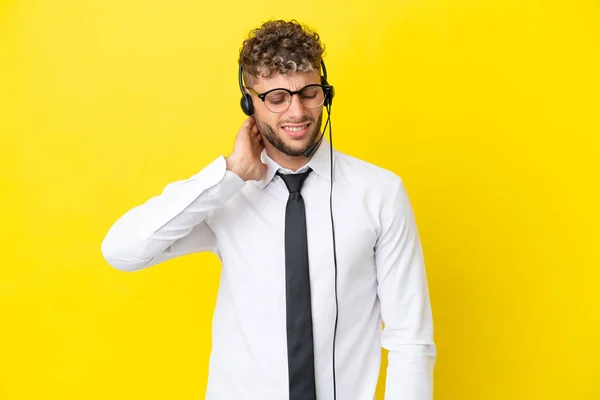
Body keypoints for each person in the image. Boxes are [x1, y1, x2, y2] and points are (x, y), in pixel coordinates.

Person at [101, 19, 436, 400]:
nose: (297, 112)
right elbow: (122, 251)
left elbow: (411, 340)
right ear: (249, 101)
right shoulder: (223, 196)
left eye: (309, 93)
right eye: (276, 98)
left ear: (326, 93)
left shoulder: (379, 193)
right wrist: (229, 175)